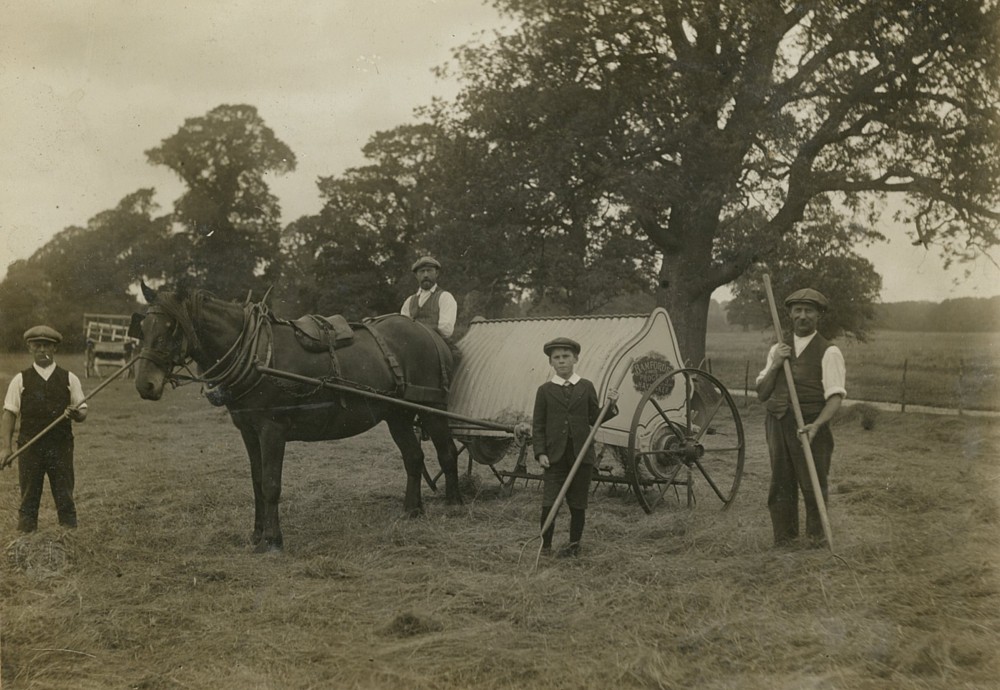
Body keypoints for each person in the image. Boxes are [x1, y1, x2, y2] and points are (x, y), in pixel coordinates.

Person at [756, 288, 846, 548]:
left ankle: (817, 540)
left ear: (819, 315)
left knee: (812, 483)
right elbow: (762, 393)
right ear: (789, 314)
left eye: (809, 311)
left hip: (810, 425)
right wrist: (775, 364)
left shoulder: (829, 352)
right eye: (798, 310)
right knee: (781, 482)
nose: (803, 316)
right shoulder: (777, 350)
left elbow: (835, 398)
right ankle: (784, 539)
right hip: (777, 423)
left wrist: (817, 426)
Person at [532, 337, 619, 558]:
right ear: (551, 362)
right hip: (554, 457)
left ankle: (574, 546)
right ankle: (546, 547)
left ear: (575, 359)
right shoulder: (544, 390)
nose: (562, 362)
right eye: (557, 358)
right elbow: (538, 425)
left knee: (578, 504)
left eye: (566, 357)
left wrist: (611, 405)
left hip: (581, 456)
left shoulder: (586, 387)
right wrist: (540, 452)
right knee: (550, 503)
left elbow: (594, 417)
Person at [0, 326, 88, 532]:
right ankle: (26, 541)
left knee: (64, 495)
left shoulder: (69, 379)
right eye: (37, 345)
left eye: (47, 345)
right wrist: (6, 447)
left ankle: (69, 537)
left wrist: (77, 414)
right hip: (30, 447)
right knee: (29, 497)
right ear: (30, 348)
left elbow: (83, 412)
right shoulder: (20, 379)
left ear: (55, 348)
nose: (42, 350)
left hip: (61, 448)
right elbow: (9, 413)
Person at [401, 256, 458, 340]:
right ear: (416, 275)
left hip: (438, 346)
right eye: (422, 271)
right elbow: (402, 328)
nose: (426, 275)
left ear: (436, 273)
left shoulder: (445, 297)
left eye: (429, 271)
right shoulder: (409, 301)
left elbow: (446, 330)